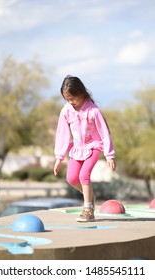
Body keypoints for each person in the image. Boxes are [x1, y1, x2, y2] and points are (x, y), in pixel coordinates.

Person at [54, 75, 116, 222]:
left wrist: (109, 155)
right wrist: (59, 157)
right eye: (67, 99)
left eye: (72, 99)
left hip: (93, 147)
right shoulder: (66, 111)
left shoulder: (93, 111)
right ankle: (90, 196)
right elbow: (62, 134)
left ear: (81, 93)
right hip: (77, 149)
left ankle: (88, 210)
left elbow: (104, 133)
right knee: (71, 178)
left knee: (84, 175)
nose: (70, 102)